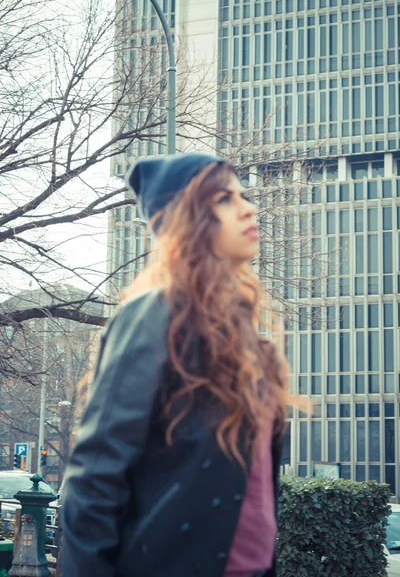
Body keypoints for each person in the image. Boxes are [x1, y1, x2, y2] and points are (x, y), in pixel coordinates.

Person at [59, 153, 292, 577]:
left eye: (243, 194)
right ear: (186, 220)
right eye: (224, 198)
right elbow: (93, 480)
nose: (248, 207)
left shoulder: (253, 348)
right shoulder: (154, 315)